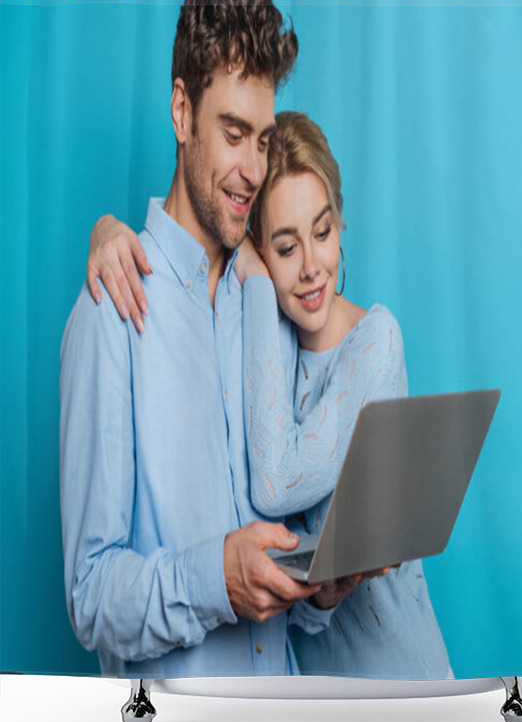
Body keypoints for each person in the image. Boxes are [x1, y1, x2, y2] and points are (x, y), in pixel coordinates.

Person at [60, 0, 359, 680]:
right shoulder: (111, 310)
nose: (253, 170)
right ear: (181, 109)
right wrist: (212, 578)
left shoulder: (270, 308)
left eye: (262, 139)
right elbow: (89, 595)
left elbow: (279, 571)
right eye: (232, 134)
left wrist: (321, 592)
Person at [89, 112, 453, 679]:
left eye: (323, 232)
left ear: (341, 225)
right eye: (285, 248)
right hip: (307, 691)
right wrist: (107, 229)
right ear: (257, 244)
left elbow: (276, 480)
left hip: (396, 671)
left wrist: (259, 281)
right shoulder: (264, 343)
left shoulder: (376, 343)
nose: (312, 268)